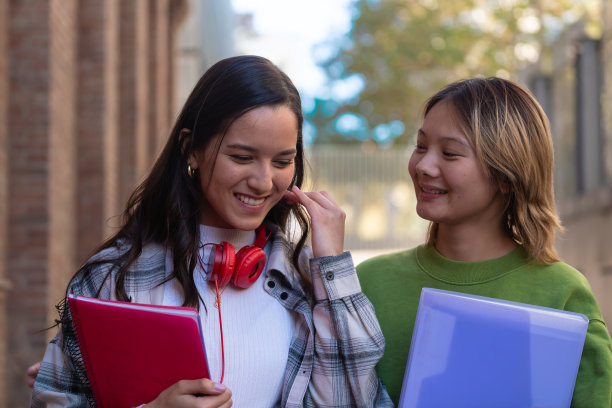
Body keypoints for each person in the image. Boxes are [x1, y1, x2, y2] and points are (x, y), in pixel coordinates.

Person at [31, 55, 392, 407]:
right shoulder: (115, 275)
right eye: (242, 157)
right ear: (191, 150)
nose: (264, 181)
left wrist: (332, 268)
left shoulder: (307, 280)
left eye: (283, 161)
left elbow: (353, 399)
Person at [357, 77, 612, 407]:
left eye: (449, 153)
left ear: (506, 176)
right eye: (420, 146)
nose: (423, 165)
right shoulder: (369, 282)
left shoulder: (563, 293)